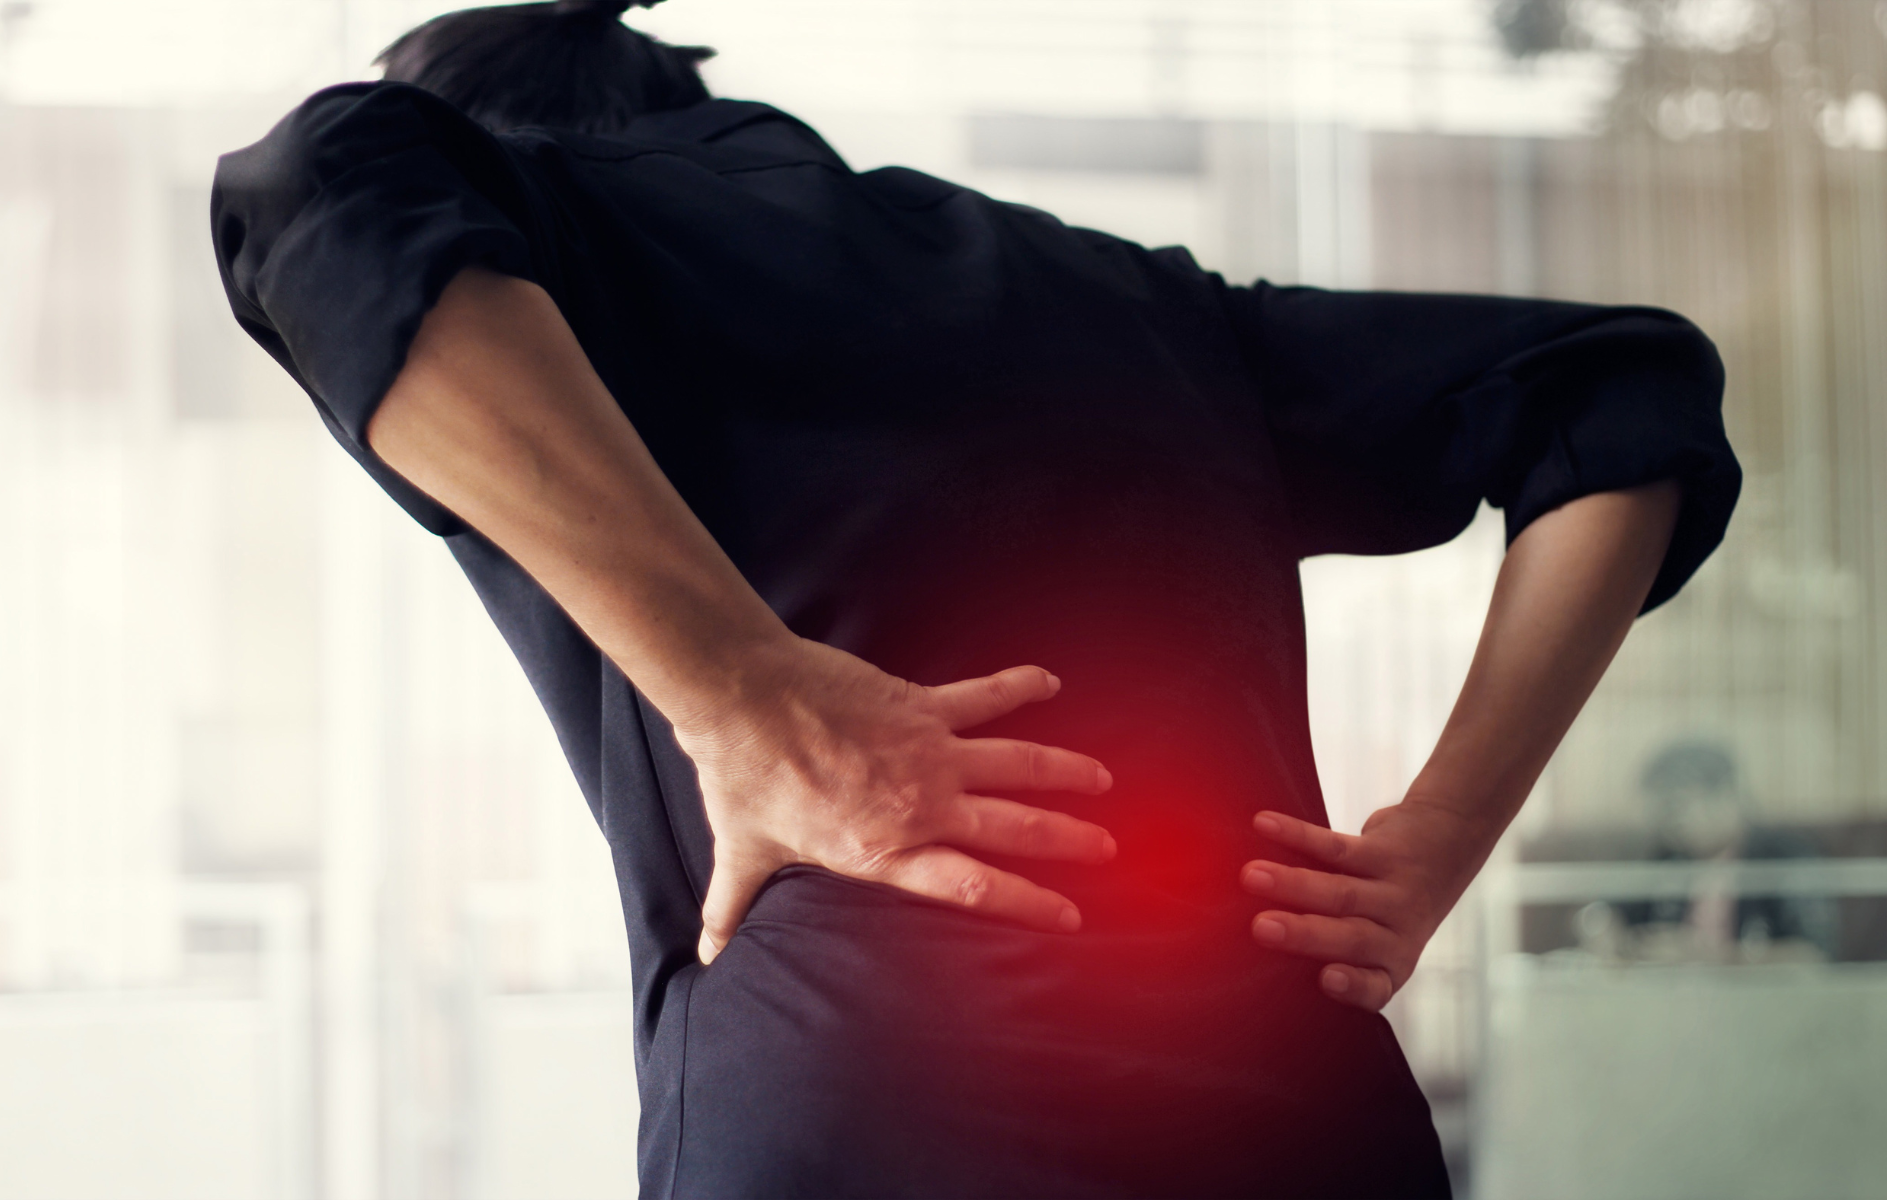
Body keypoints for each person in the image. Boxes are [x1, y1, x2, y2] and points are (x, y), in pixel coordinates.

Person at [210, 1, 1741, 1195]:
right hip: (1293, 1105)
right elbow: (1611, 389)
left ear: (478, 147)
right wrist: (1446, 832)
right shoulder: (1139, 302)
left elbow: (315, 193)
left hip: (865, 1099)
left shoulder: (541, 229)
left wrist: (751, 698)